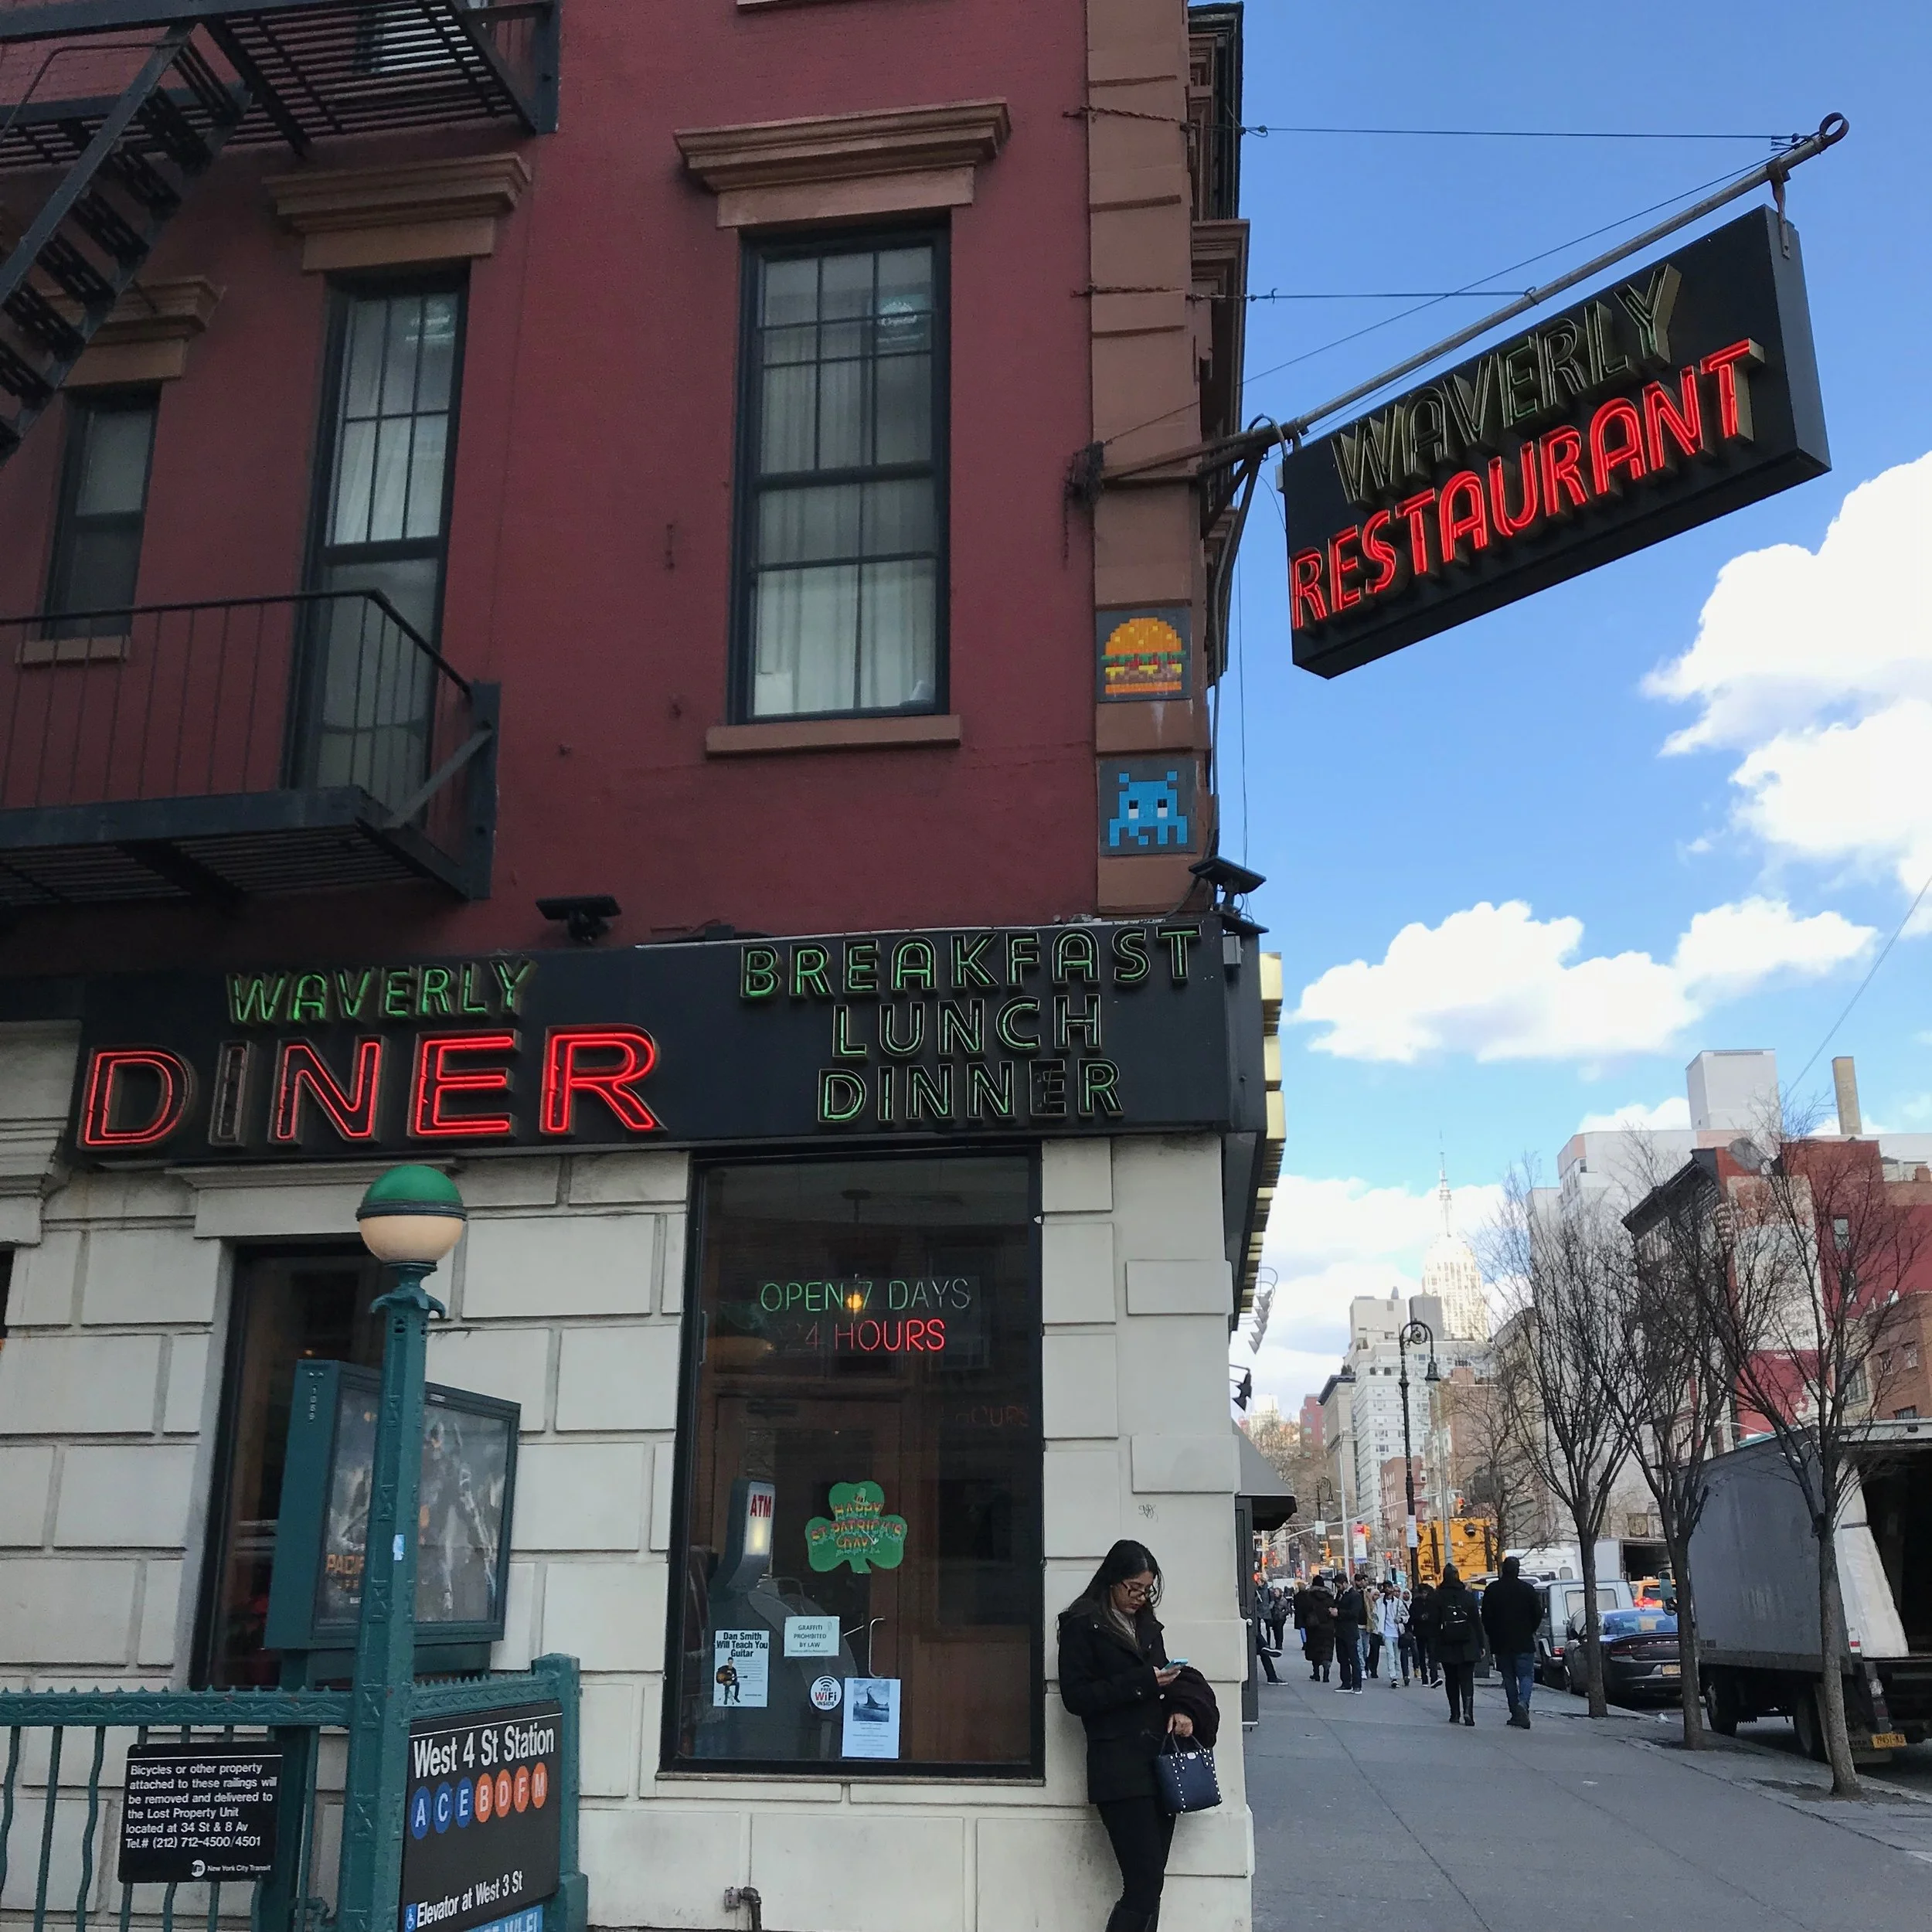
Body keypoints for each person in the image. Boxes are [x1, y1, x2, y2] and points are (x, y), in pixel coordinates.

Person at [1057, 1539, 1199, 1932]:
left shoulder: (1147, 1625)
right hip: (1118, 1769)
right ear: (1111, 1581)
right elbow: (1077, 1697)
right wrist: (1142, 1682)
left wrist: (1180, 1708)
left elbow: (1164, 1684)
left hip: (1159, 1764)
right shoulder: (1081, 1624)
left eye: (1146, 1589)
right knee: (1143, 1882)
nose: (1140, 1597)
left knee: (1151, 1885)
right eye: (1132, 1588)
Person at [1480, 1554, 1543, 1729]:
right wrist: (1530, 1629)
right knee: (1526, 1676)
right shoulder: (1527, 1590)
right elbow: (1537, 1613)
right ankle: (1523, 1703)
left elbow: (1486, 1616)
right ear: (1518, 1571)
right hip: (1523, 1640)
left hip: (1501, 1642)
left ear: (1502, 1570)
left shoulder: (1492, 1590)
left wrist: (1492, 1634)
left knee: (1508, 1677)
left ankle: (1515, 1712)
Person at [1429, 1563, 1484, 1725]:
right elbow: (1476, 1621)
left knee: (1451, 1679)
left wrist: (1433, 1648)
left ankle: (1455, 1713)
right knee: (1467, 1680)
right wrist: (1481, 1644)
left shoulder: (1438, 1596)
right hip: (1468, 1644)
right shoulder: (1467, 1596)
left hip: (1447, 1644)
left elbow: (1433, 1623)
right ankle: (1468, 1712)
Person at [1298, 1573, 1336, 1681]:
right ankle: (1326, 1672)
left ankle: (1316, 1673)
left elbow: (1304, 1610)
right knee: (1327, 1649)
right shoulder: (1330, 1596)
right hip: (1328, 1627)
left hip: (1313, 1627)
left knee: (1315, 1649)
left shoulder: (1308, 1596)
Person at [1333, 1572, 1366, 1694]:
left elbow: (1354, 1613)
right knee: (1342, 1659)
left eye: (1339, 1586)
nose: (1338, 1588)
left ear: (1345, 1583)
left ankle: (1357, 1685)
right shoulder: (1340, 1594)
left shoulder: (1355, 1595)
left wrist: (1339, 1613)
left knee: (1354, 1658)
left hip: (1350, 1631)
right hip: (1340, 1631)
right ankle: (1346, 1683)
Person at [1410, 1580, 1439, 1686]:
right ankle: (1424, 1677)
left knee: (1432, 1654)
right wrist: (1420, 1618)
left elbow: (1437, 1615)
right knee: (1421, 1655)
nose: (1424, 1595)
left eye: (1425, 1593)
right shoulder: (1416, 1602)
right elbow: (1412, 1615)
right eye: (1422, 1593)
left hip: (1431, 1631)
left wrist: (1429, 1617)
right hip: (1420, 1631)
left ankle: (1434, 1677)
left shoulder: (1433, 1602)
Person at [1378, 1584, 1406, 1686]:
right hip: (1387, 1633)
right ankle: (1393, 1677)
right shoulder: (1380, 1602)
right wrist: (1379, 1629)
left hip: (1398, 1633)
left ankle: (1397, 1676)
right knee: (1390, 1655)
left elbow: (1406, 1616)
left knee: (1397, 1656)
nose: (1388, 1590)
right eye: (1386, 1588)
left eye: (1389, 1588)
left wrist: (1400, 1620)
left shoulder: (1399, 1603)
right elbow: (1376, 1615)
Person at [1364, 1583, 1385, 1680]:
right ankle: (1369, 1668)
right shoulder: (1368, 1604)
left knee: (1375, 1652)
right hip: (1370, 1630)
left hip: (1378, 1631)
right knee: (1370, 1650)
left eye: (1378, 1595)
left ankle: (1372, 1668)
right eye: (1374, 1595)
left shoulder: (1381, 1605)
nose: (1376, 1597)